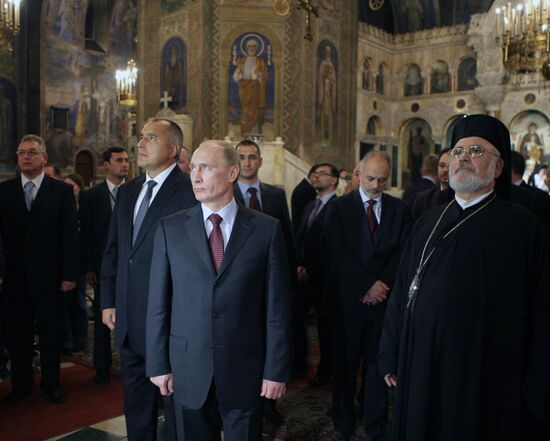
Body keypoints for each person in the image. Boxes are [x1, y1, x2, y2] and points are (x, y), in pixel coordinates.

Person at [378, 114, 550, 441]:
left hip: (485, 371)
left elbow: (542, 311)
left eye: (476, 151)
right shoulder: (426, 221)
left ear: (498, 168)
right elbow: (403, 290)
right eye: (457, 152)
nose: (464, 158)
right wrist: (390, 349)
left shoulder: (524, 228)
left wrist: (538, 381)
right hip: (422, 361)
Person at [146, 140, 292, 441]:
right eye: (193, 167)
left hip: (245, 369)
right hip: (187, 368)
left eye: (207, 168)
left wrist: (275, 369)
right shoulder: (169, 229)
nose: (195, 176)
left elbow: (277, 308)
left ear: (232, 172)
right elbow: (158, 304)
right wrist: (158, 364)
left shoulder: (267, 230)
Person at [100, 119, 196, 441]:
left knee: (176, 416)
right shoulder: (127, 192)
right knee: (137, 411)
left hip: (170, 325)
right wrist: (108, 300)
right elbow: (114, 251)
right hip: (128, 322)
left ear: (172, 150)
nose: (139, 143)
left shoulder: (190, 191)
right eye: (140, 137)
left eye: (150, 138)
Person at [325, 151, 412, 441]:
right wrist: (366, 286)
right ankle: (343, 420)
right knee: (345, 365)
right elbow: (338, 254)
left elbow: (403, 252)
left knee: (378, 365)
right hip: (348, 302)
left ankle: (375, 424)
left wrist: (382, 284)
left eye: (383, 180)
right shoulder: (339, 208)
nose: (376, 185)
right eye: (371, 178)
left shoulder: (400, 210)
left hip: (384, 304)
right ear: (359, 174)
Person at [0, 134, 79, 405]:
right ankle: (21, 384)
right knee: (18, 335)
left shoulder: (61, 191)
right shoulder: (4, 191)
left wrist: (70, 275)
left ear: (44, 157)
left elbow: (70, 236)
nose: (26, 157)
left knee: (50, 335)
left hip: (51, 278)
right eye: (22, 152)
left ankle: (51, 384)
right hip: (14, 278)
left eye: (32, 152)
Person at [233, 139, 295, 426]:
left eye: (251, 157)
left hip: (270, 278)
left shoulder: (275, 195)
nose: (247, 162)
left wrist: (290, 277)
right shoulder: (227, 192)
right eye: (242, 157)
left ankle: (268, 405)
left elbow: (286, 239)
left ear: (260, 161)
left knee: (270, 339)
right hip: (240, 282)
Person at [80, 146, 129, 384]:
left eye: (127, 160)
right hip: (102, 268)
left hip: (130, 267)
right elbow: (86, 235)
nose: (125, 164)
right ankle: (102, 366)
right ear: (106, 165)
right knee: (102, 318)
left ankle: (132, 364)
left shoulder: (134, 192)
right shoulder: (91, 197)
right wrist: (88, 268)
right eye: (119, 160)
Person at [295, 163, 339, 386]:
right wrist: (299, 265)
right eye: (314, 172)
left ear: (334, 180)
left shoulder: (339, 207)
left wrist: (311, 270)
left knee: (325, 327)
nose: (315, 176)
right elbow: (301, 237)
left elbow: (332, 246)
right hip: (303, 274)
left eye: (322, 174)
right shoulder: (310, 205)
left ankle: (326, 371)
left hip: (324, 277)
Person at [60, 173, 88, 355]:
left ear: (79, 187)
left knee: (79, 303)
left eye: (73, 185)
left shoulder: (85, 207)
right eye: (66, 185)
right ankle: (67, 340)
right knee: (64, 305)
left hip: (81, 261)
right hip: (65, 261)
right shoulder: (61, 206)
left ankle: (80, 338)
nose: (70, 189)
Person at [232, 39, 269, 134]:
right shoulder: (242, 60)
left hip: (256, 90)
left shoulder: (260, 62)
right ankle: (245, 132)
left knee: (254, 112)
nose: (251, 49)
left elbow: (265, 77)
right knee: (246, 112)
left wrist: (258, 76)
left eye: (253, 47)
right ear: (247, 48)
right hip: (244, 89)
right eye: (250, 47)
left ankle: (254, 132)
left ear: (257, 48)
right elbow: (236, 75)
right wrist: (239, 76)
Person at [410, 148, 453, 220]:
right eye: (442, 166)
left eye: (450, 166)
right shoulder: (423, 199)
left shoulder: (464, 198)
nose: (445, 170)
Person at [291, 165, 319, 234]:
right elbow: (309, 216)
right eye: (319, 176)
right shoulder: (306, 190)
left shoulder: (305, 187)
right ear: (313, 175)